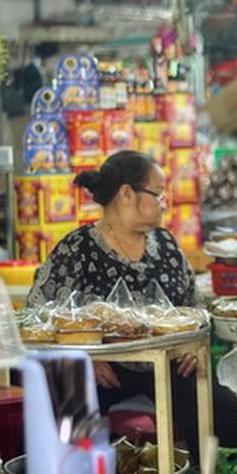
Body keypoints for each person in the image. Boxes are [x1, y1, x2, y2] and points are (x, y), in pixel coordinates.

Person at [26, 150, 202, 457]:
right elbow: (38, 313)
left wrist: (194, 344)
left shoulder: (167, 245)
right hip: (100, 374)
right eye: (158, 194)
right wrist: (85, 353)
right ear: (126, 194)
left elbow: (195, 307)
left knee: (222, 408)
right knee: (64, 414)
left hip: (169, 367)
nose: (163, 203)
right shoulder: (77, 249)